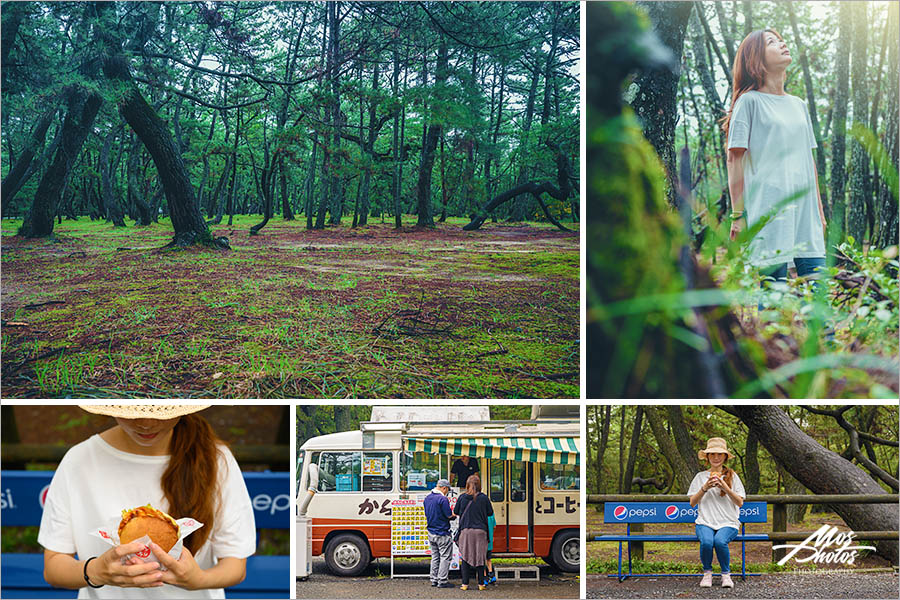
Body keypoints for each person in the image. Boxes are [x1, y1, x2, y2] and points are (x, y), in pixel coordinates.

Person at [39, 405, 256, 599]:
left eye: (161, 411)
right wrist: (96, 571)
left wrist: (198, 580)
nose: (146, 423)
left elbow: (235, 565)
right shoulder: (79, 460)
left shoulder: (216, 459)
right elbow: (54, 566)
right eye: (131, 411)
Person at [723, 29, 826, 290]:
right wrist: (738, 215)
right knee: (772, 296)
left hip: (805, 212)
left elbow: (808, 160)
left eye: (780, 39)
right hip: (767, 211)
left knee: (818, 293)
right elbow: (734, 160)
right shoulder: (749, 102)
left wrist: (820, 212)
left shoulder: (799, 105)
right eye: (772, 42)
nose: (782, 44)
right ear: (756, 58)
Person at [688, 438, 745, 589]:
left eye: (720, 454)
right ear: (707, 457)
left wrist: (725, 487)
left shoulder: (732, 476)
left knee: (719, 541)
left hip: (728, 522)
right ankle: (707, 574)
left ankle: (726, 575)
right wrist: (705, 487)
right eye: (712, 454)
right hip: (705, 522)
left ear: (725, 456)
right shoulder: (700, 477)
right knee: (707, 542)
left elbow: (740, 502)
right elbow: (692, 502)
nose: (716, 457)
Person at [453, 474, 493, 591]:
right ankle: (481, 584)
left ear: (467, 485)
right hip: (480, 531)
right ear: (479, 485)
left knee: (465, 557)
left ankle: (465, 584)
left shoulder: (462, 497)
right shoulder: (484, 498)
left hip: (466, 531)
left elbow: (456, 512)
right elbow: (490, 513)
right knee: (480, 558)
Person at [423, 478, 455, 589]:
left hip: (431, 532)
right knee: (445, 557)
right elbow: (448, 515)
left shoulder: (427, 498)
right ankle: (442, 580)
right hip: (442, 532)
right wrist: (455, 515)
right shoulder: (442, 499)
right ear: (444, 488)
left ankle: (433, 579)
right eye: (447, 490)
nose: (447, 492)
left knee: (435, 557)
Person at [483, 512, 497, 586]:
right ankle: (492, 575)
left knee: (482, 560)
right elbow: (494, 526)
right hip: (490, 540)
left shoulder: (481, 513)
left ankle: (485, 578)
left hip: (482, 540)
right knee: (488, 559)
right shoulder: (491, 514)